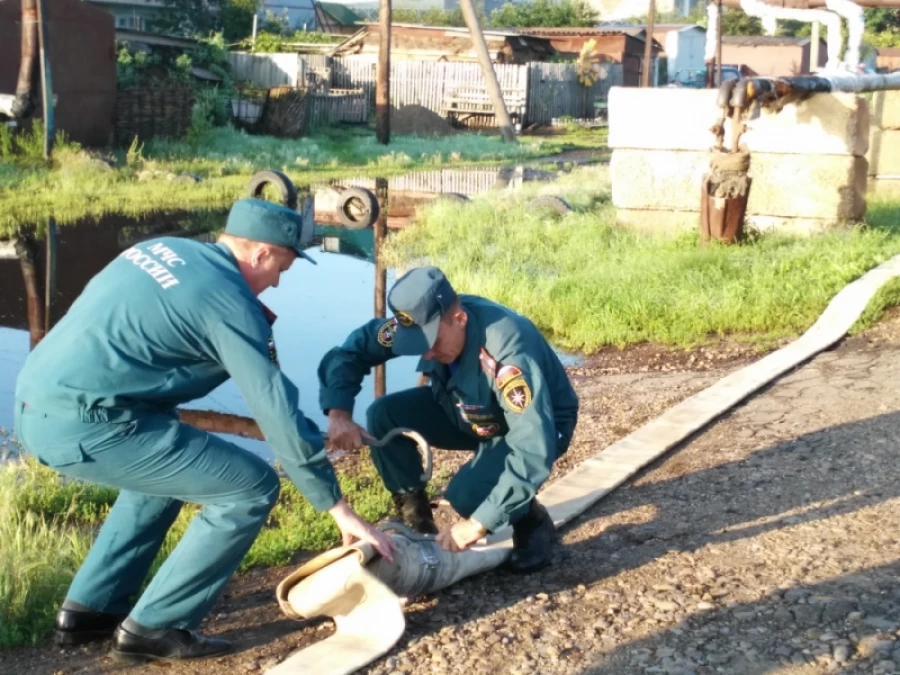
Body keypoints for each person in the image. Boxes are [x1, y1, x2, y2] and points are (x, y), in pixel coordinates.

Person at [13, 198, 395, 664]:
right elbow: (274, 404)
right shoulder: (227, 302)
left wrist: (313, 433)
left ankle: (90, 610)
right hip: (87, 424)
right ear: (259, 254)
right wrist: (337, 508)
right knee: (250, 487)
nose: (277, 281)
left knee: (169, 471)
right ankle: (154, 628)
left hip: (36, 402)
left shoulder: (163, 248)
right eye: (282, 267)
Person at [318, 266, 579, 573]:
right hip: (467, 409)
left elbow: (533, 446)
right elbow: (350, 353)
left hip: (537, 426)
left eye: (431, 343)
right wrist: (338, 413)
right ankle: (416, 522)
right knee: (383, 414)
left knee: (466, 497)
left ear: (460, 319)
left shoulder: (507, 349)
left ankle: (532, 521)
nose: (425, 355)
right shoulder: (422, 319)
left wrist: (477, 525)